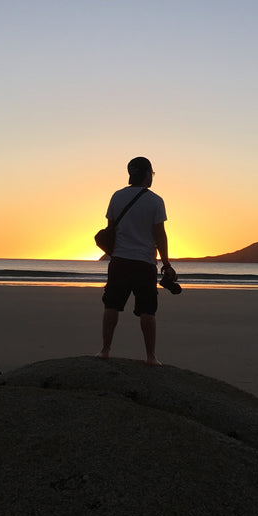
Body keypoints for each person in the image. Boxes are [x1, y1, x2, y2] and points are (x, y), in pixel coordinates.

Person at [97, 156, 176, 366]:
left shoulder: (117, 196)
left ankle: (105, 351)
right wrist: (166, 264)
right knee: (148, 310)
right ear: (147, 173)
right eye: (152, 173)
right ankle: (151, 357)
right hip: (144, 263)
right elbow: (160, 235)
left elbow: (111, 227)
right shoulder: (156, 200)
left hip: (120, 260)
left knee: (111, 305)